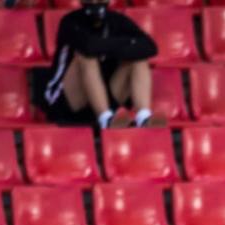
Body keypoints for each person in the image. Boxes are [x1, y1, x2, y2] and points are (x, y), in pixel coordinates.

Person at [35, 0, 158, 130]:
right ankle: (105, 119)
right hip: (66, 100)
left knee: (139, 59)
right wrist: (125, 43)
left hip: (104, 93)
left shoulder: (117, 20)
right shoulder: (70, 22)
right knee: (86, 57)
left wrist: (107, 44)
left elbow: (150, 47)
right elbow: (89, 46)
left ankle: (143, 117)